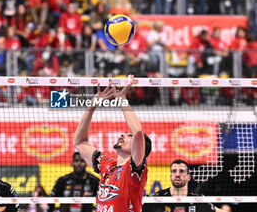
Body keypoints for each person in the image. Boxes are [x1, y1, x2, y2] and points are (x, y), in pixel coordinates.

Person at [73, 75, 152, 212]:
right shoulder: (108, 166)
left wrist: (121, 99)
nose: (123, 134)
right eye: (126, 133)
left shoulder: (134, 170)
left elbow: (138, 131)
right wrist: (92, 105)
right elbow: (79, 142)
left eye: (129, 135)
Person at [142, 159, 224, 212]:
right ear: (170, 176)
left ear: (188, 177)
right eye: (174, 171)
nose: (177, 174)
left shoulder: (198, 200)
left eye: (181, 171)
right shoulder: (156, 199)